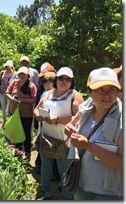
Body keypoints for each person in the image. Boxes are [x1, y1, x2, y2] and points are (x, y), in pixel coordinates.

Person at [65, 67, 122, 200]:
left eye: (112, 90)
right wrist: (68, 128)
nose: (107, 95)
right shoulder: (87, 106)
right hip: (80, 183)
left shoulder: (121, 120)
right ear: (89, 92)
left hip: (107, 193)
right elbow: (71, 124)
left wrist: (88, 146)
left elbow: (121, 163)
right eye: (100, 90)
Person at [33, 67, 84, 200]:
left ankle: (66, 197)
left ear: (72, 81)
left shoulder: (75, 95)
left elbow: (78, 117)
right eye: (61, 78)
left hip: (64, 141)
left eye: (68, 79)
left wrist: (57, 120)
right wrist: (39, 116)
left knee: (64, 171)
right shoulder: (48, 93)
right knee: (45, 166)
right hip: (46, 137)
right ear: (56, 79)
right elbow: (37, 109)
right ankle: (44, 189)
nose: (64, 81)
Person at [6, 66, 37, 161]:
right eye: (20, 74)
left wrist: (22, 100)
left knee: (26, 134)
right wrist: (12, 98)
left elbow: (33, 99)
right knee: (16, 132)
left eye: (24, 74)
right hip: (15, 112)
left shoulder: (31, 86)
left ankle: (27, 154)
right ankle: (18, 152)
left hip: (26, 114)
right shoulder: (14, 82)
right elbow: (7, 92)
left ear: (28, 75)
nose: (22, 76)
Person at [0, 60, 15, 124]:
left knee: (9, 109)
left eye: (8, 66)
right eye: (6, 66)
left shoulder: (14, 74)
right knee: (3, 108)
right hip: (2, 92)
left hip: (10, 94)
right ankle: (4, 122)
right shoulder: (2, 72)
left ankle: (9, 122)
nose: (6, 68)